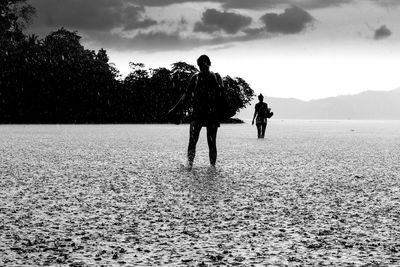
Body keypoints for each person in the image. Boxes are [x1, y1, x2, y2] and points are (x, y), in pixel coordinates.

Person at [168, 55, 223, 170]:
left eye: (204, 65)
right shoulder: (195, 78)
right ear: (198, 66)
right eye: (200, 66)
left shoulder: (217, 77)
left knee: (211, 143)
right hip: (198, 113)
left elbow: (222, 96)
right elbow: (186, 96)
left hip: (211, 114)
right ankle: (190, 165)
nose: (203, 67)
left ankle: (212, 167)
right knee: (193, 141)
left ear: (209, 63)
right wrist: (175, 109)